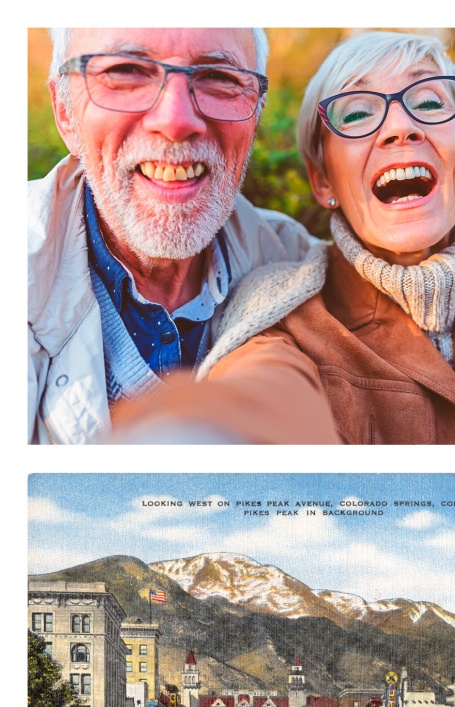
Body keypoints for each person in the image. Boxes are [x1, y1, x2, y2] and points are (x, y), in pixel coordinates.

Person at [191, 30, 455, 445]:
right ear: (322, 181)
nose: (402, 128)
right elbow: (257, 401)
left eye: (428, 103)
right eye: (356, 114)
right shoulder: (278, 317)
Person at [28, 27, 338, 444]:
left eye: (219, 78)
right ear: (65, 111)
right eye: (126, 72)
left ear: (256, 112)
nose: (175, 121)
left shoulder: (300, 266)